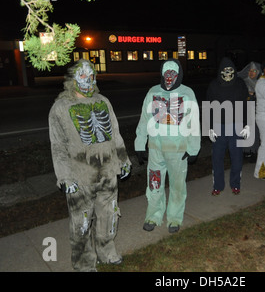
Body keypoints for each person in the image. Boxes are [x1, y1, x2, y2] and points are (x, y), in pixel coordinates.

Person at [48, 59, 132, 271]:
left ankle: (107, 251)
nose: (88, 80)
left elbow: (115, 135)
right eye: (82, 76)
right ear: (71, 80)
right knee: (81, 224)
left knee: (109, 216)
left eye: (92, 76)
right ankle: (84, 264)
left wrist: (123, 159)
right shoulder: (60, 108)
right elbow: (58, 146)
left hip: (108, 173)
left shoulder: (103, 100)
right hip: (80, 177)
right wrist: (64, 176)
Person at [135, 58, 200, 233]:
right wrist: (140, 144)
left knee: (177, 187)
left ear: (178, 74)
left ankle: (174, 218)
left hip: (178, 152)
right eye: (166, 73)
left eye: (173, 73)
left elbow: (194, 123)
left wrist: (194, 148)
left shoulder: (187, 93)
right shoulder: (152, 92)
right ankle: (153, 216)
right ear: (162, 74)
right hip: (156, 151)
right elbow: (144, 120)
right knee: (154, 184)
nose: (169, 77)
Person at [207, 57, 250, 196]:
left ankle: (235, 184)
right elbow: (208, 106)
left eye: (230, 71)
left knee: (237, 158)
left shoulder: (240, 84)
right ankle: (218, 185)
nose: (227, 73)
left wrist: (247, 124)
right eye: (224, 71)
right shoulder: (214, 85)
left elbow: (246, 104)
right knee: (217, 158)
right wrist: (209, 127)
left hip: (237, 127)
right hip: (219, 127)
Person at [237, 61, 261, 160]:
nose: (251, 73)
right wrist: (249, 96)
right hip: (246, 109)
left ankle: (254, 150)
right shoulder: (244, 82)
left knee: (255, 131)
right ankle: (246, 151)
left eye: (254, 71)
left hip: (257, 110)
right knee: (247, 130)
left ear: (258, 72)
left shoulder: (260, 82)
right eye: (250, 71)